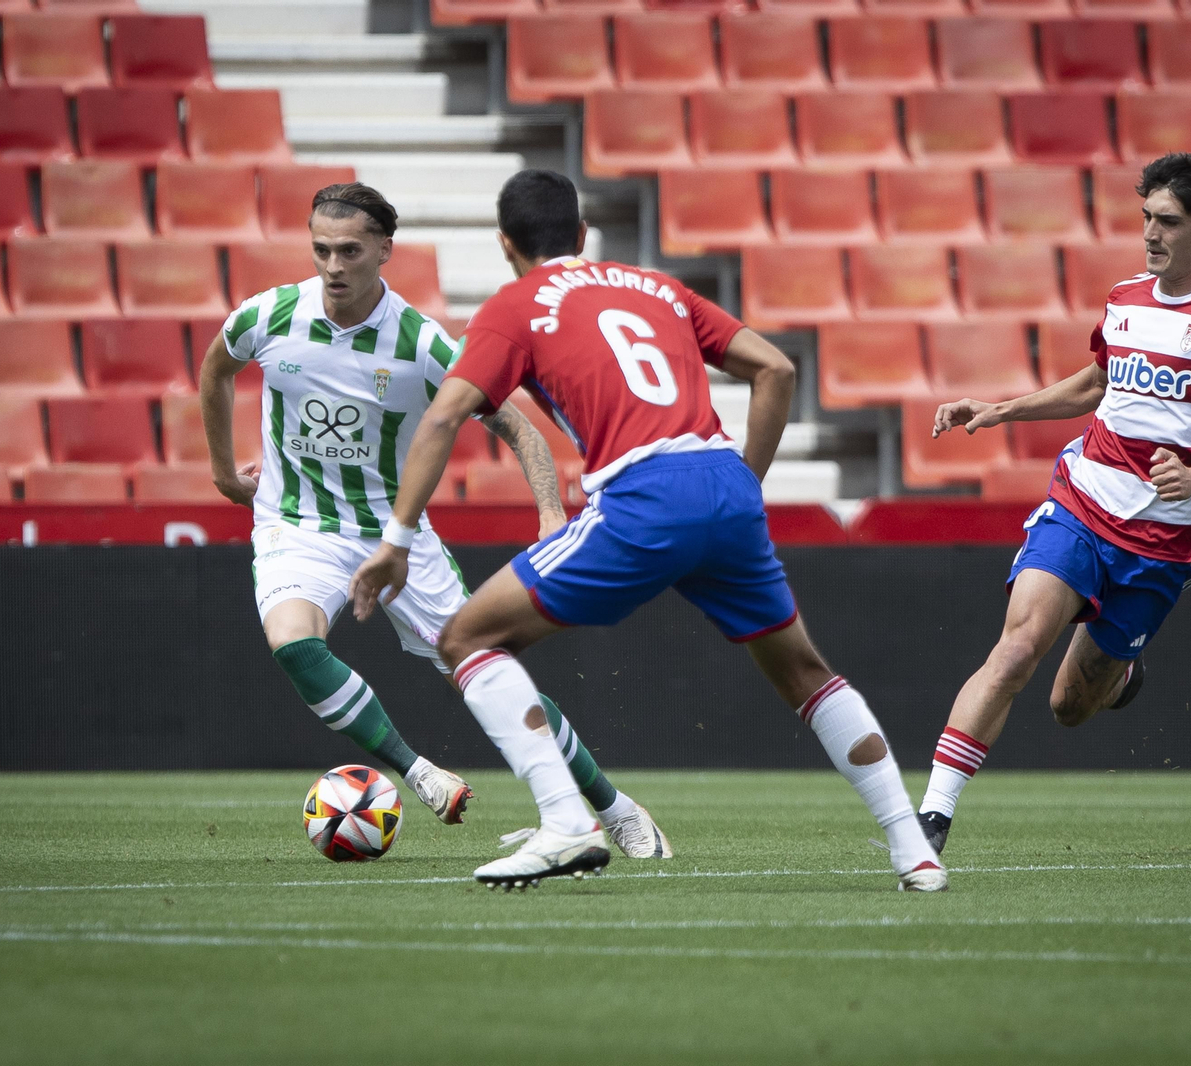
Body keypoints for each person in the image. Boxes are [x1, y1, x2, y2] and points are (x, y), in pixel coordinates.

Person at [349, 169, 944, 892]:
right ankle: (915, 854)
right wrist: (742, 490)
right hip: (723, 483)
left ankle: (566, 823)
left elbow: (445, 415)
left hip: (641, 493)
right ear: (583, 236)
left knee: (467, 638)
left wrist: (398, 540)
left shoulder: (516, 304)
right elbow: (777, 370)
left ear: (506, 245)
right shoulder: (656, 286)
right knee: (806, 673)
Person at [199, 181, 672, 858]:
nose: (333, 266)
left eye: (350, 251)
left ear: (385, 251)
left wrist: (547, 511)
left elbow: (522, 429)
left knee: (490, 673)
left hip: (397, 537)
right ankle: (417, 772)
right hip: (296, 523)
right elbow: (216, 370)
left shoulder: (421, 342)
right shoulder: (268, 316)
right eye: (321, 250)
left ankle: (613, 807)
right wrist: (222, 471)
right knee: (293, 643)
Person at [915, 153, 1191, 854]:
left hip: (1164, 537)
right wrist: (1000, 409)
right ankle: (930, 822)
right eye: (1146, 218)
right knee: (1016, 650)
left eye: (1169, 221)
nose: (1151, 234)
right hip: (1083, 497)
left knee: (1069, 707)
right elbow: (1098, 383)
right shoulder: (1125, 298)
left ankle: (1120, 673)